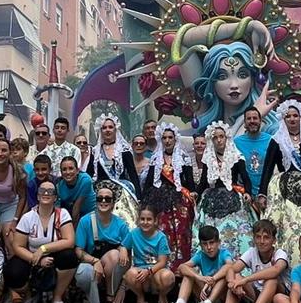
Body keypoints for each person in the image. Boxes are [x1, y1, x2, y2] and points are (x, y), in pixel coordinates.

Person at [259, 100, 301, 257]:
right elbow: (268, 169)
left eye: (295, 115)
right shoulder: (276, 140)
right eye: (288, 116)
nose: (292, 119)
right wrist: (262, 193)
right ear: (283, 119)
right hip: (284, 187)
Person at [6, 178, 77, 303]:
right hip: (31, 257)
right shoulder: (28, 217)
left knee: (69, 256)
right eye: (42, 191)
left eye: (50, 191)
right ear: (37, 196)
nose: (46, 194)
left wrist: (44, 249)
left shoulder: (62, 214)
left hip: (54, 256)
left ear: (55, 197)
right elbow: (17, 246)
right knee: (12, 272)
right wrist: (36, 258)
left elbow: (69, 241)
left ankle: (57, 298)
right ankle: (30, 296)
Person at [208, 219, 290, 303]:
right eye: (258, 237)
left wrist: (246, 279)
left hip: (277, 301)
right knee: (236, 276)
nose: (261, 241)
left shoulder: (280, 253)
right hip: (257, 297)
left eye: (266, 237)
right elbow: (232, 268)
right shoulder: (252, 252)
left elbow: (275, 270)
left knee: (271, 279)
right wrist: (232, 283)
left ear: (274, 240)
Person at [193, 121, 255, 259]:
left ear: (226, 138)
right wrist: (196, 192)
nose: (219, 140)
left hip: (233, 196)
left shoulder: (236, 156)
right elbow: (203, 181)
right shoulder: (208, 158)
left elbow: (245, 178)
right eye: (215, 137)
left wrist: (247, 193)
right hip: (211, 198)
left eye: (221, 136)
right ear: (211, 140)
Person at [139, 123, 196, 268]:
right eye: (164, 138)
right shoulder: (155, 157)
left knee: (183, 230)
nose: (167, 141)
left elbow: (189, 182)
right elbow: (149, 182)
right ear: (161, 139)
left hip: (179, 198)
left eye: (170, 137)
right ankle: (163, 264)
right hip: (159, 197)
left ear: (175, 139)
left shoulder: (183, 157)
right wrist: (143, 199)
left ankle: (182, 265)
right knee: (162, 228)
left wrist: (193, 194)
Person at [73, 182, 131, 303]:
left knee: (115, 255)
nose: (103, 201)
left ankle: (111, 294)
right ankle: (89, 294)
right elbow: (78, 250)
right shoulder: (86, 221)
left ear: (113, 202)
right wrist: (95, 261)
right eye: (100, 198)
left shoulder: (121, 224)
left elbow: (129, 252)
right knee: (84, 273)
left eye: (108, 199)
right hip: (91, 263)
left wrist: (123, 249)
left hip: (113, 269)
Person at [163, 224, 230, 303]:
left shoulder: (224, 253)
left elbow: (230, 266)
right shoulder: (200, 255)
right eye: (205, 244)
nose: (209, 247)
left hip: (221, 299)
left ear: (219, 243)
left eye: (212, 243)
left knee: (226, 273)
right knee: (188, 273)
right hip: (204, 296)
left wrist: (213, 279)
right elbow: (181, 267)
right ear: (201, 245)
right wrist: (200, 277)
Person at [88, 114, 140, 226]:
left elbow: (132, 174)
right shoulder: (95, 151)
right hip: (100, 191)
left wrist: (139, 197)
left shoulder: (124, 150)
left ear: (115, 129)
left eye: (110, 127)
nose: (107, 130)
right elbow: (89, 173)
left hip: (121, 191)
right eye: (104, 127)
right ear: (100, 130)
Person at [122, 206, 174, 303]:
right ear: (138, 220)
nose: (145, 222)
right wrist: (123, 250)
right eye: (142, 219)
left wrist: (149, 271)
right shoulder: (133, 233)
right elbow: (124, 245)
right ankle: (140, 297)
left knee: (168, 277)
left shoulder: (161, 237)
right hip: (140, 273)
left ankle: (162, 296)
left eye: (149, 219)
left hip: (156, 272)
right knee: (130, 274)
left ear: (155, 221)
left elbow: (162, 262)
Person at [233, 105, 276, 214]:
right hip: (245, 195)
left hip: (268, 193)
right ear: (244, 122)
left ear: (261, 120)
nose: (252, 121)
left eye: (255, 118)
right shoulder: (236, 142)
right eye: (249, 119)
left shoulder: (271, 140)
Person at [56, 156, 96, 222]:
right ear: (61, 172)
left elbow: (77, 207)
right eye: (64, 169)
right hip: (69, 213)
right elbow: (57, 208)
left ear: (77, 170)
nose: (68, 172)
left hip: (90, 214)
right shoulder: (59, 185)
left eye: (71, 168)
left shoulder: (86, 180)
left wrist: (73, 231)